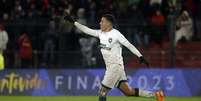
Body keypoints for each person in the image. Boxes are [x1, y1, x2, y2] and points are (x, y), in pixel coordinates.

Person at [64, 13, 165, 101]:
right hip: (114, 68)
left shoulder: (116, 34)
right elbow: (87, 30)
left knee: (102, 92)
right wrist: (74, 22)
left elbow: (129, 45)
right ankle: (156, 95)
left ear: (109, 23)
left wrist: (140, 56)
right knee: (128, 92)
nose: (100, 23)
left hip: (115, 67)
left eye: (102, 21)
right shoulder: (100, 33)